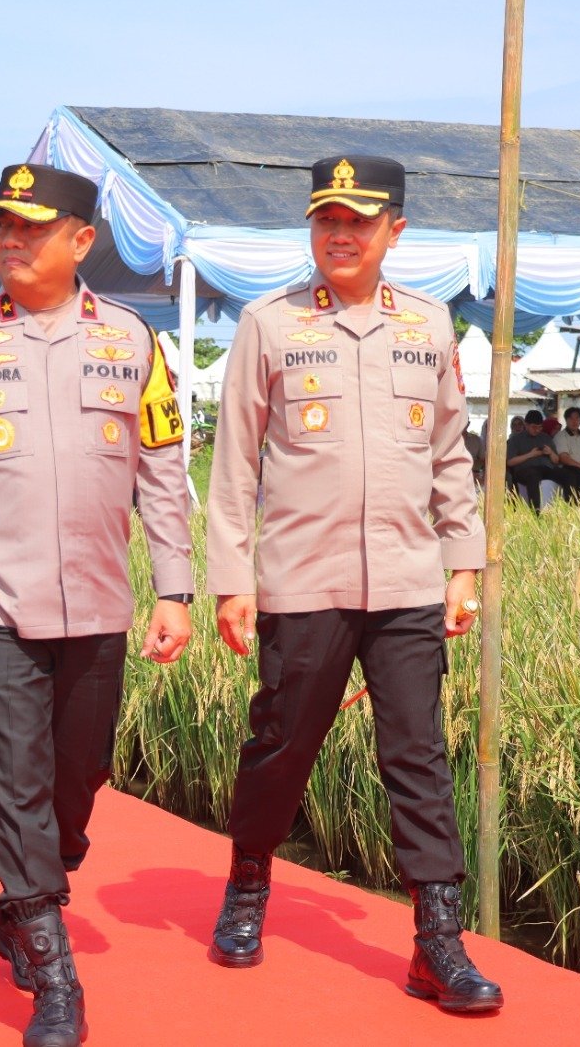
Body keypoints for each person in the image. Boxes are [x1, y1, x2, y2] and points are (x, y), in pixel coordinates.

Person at [0, 162, 194, 1047]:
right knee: (17, 781)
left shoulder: (134, 341)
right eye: (3, 227)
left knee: (78, 780)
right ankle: (54, 977)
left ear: (81, 240)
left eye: (32, 227)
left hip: (101, 603)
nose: (11, 241)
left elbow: (162, 476)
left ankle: (23, 900)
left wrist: (176, 587)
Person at [205, 155, 500, 1013]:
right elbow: (233, 464)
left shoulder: (429, 323)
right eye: (325, 219)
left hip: (408, 578)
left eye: (358, 221)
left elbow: (450, 454)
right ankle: (249, 884)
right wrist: (231, 578)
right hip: (304, 581)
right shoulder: (270, 323)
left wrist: (464, 564)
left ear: (393, 231)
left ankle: (437, 942)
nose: (339, 234)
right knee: (282, 745)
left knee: (417, 753)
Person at [505, 409, 564, 511]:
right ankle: (535, 511)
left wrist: (550, 452)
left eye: (539, 427)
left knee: (567, 474)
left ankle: (573, 507)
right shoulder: (515, 439)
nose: (537, 430)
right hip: (525, 470)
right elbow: (510, 461)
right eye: (534, 427)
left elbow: (556, 460)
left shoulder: (545, 437)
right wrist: (530, 455)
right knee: (533, 475)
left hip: (546, 468)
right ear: (526, 425)